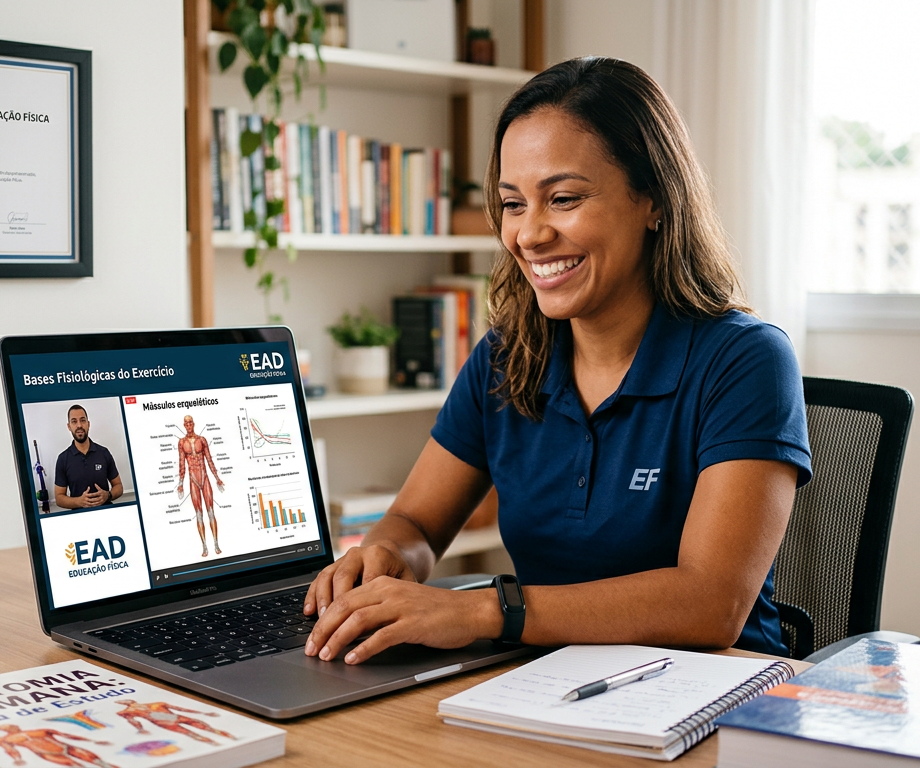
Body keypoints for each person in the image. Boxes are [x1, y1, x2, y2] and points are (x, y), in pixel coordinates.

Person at [302, 56, 811, 665]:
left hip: (711, 696)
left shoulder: (746, 360)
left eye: (563, 199)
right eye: (513, 204)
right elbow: (415, 521)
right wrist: (385, 556)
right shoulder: (504, 358)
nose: (530, 235)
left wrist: (484, 610)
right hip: (541, 684)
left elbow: (711, 604)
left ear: (653, 200)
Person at [54, 405, 123, 510]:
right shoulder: (63, 459)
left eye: (82, 420)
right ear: (69, 426)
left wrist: (108, 495)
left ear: (88, 424)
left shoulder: (104, 453)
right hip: (80, 519)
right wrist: (79, 502)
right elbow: (59, 498)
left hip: (107, 513)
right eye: (74, 421)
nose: (79, 425)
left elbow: (118, 486)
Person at [176, 415, 225, 556]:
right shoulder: (181, 443)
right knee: (198, 514)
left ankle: (216, 544)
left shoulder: (201, 440)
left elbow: (209, 459)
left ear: (194, 424)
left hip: (204, 478)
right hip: (193, 480)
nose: (189, 425)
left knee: (210, 512)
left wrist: (217, 478)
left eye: (190, 422)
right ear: (184, 425)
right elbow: (181, 464)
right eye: (186, 423)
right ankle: (204, 546)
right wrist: (180, 484)